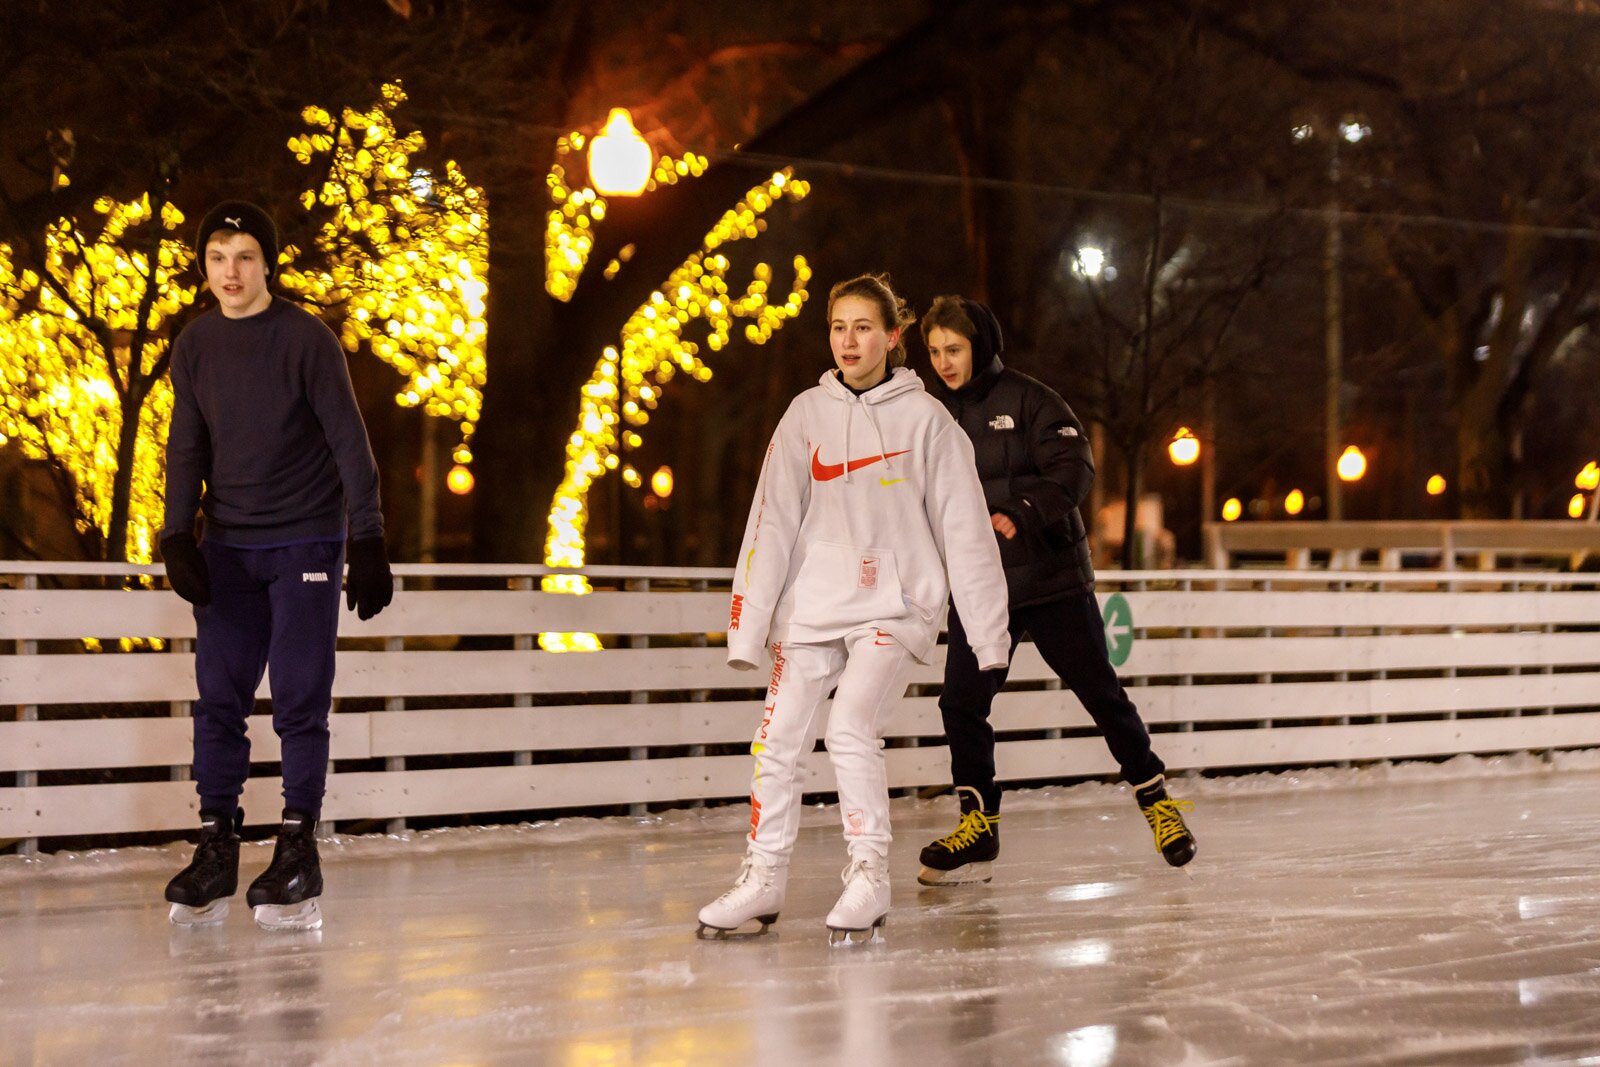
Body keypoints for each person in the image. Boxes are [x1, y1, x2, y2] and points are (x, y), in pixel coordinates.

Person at [698, 274, 1011, 944]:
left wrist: (988, 635)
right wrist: (749, 626)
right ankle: (764, 877)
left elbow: (966, 530)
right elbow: (771, 523)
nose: (849, 340)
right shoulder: (805, 414)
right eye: (838, 327)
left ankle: (869, 872)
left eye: (863, 327)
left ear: (893, 337)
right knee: (777, 740)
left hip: (895, 605)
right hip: (815, 603)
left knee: (848, 726)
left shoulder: (927, 422)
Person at [159, 200, 393, 931]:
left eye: (245, 256)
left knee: (298, 695)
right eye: (218, 257)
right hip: (228, 545)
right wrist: (174, 535)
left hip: (304, 544)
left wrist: (370, 538)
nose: (231, 271)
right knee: (218, 696)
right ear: (206, 267)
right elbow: (187, 448)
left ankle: (297, 844)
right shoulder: (194, 347)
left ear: (268, 263)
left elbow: (351, 444)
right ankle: (217, 840)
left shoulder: (306, 340)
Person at [914, 295, 1196, 886]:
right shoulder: (930, 413)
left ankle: (1158, 803)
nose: (944, 361)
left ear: (981, 346)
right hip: (982, 585)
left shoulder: (1030, 398)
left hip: (1050, 580)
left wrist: (1024, 509)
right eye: (935, 350)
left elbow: (1074, 467)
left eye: (955, 349)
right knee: (961, 703)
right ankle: (979, 825)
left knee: (1100, 692)